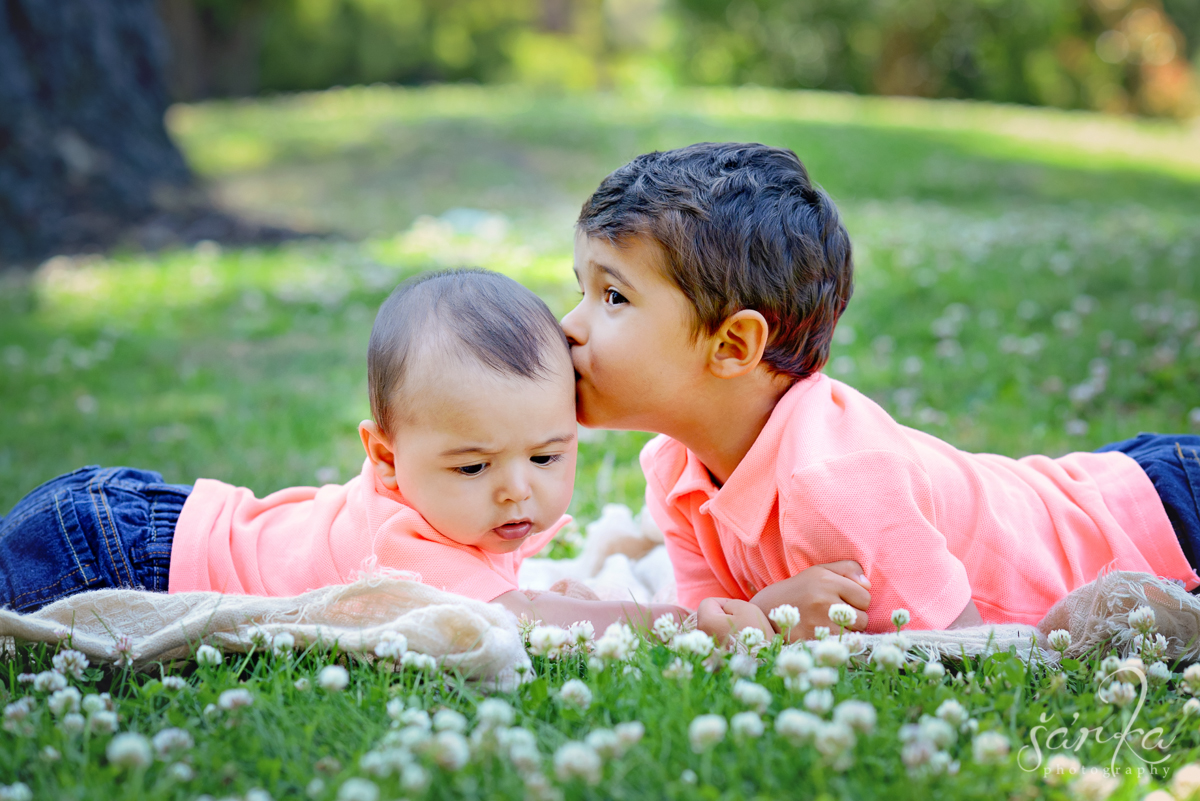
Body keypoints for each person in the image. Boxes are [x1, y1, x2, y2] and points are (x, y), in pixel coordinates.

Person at [560, 141, 1200, 640]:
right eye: (582, 289)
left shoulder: (835, 483)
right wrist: (761, 618)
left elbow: (963, 651)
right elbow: (715, 628)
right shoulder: (674, 467)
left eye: (613, 296)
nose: (569, 325)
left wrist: (768, 623)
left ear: (733, 347)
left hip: (1166, 516)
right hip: (1099, 487)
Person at [0, 269, 691, 633]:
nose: (517, 488)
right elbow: (518, 618)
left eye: (546, 457)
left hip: (136, 518)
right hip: (107, 554)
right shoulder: (402, 541)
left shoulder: (455, 506)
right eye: (474, 466)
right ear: (385, 457)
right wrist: (661, 620)